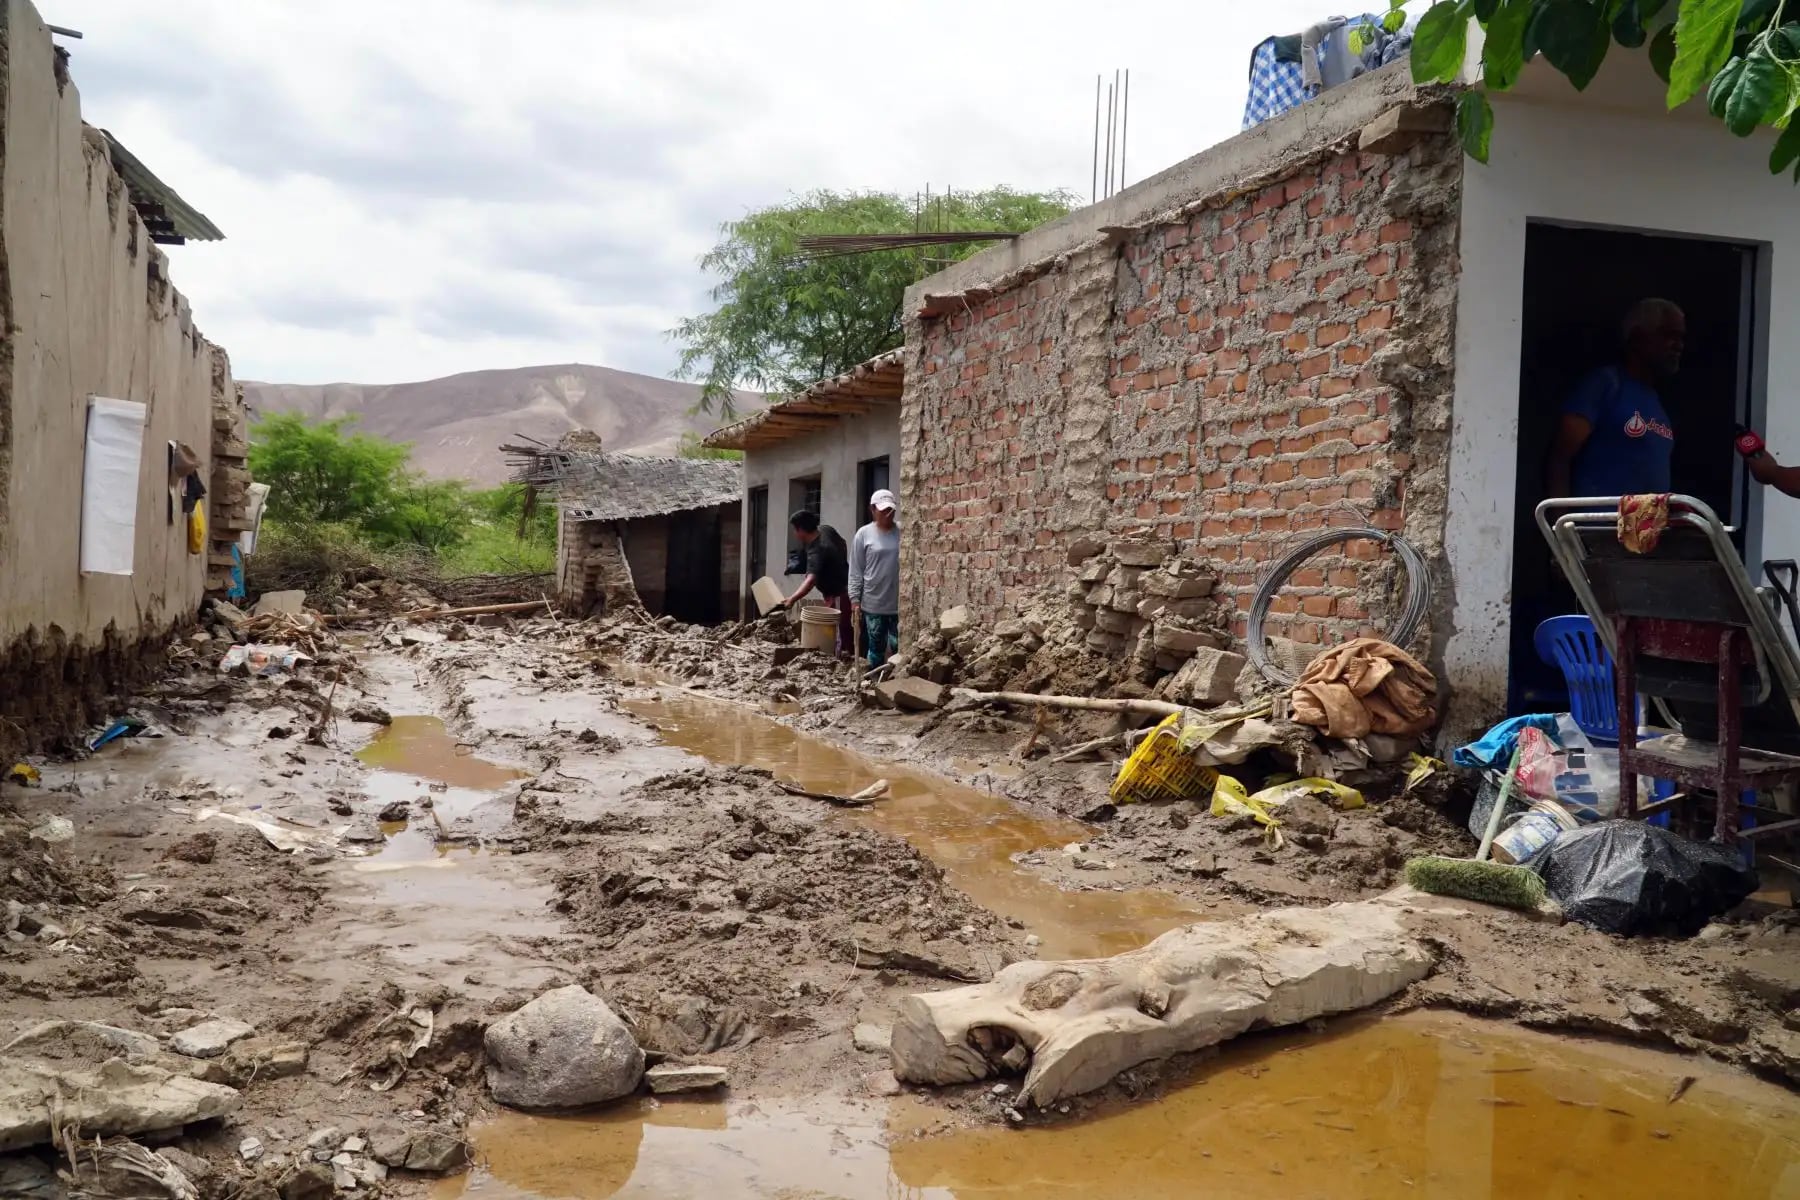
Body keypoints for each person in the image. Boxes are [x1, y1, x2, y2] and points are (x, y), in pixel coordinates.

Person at [1546, 298, 1685, 498]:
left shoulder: (1659, 403)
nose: (1678, 345)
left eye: (1681, 338)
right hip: (1598, 526)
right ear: (1637, 337)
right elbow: (1559, 459)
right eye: (1668, 335)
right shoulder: (1605, 385)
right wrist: (1560, 524)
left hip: (1643, 528)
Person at [782, 510, 853, 659]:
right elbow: (844, 543)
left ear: (801, 530)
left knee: (840, 631)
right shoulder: (825, 530)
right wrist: (839, 564)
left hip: (840, 593)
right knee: (844, 629)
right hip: (840, 589)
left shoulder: (816, 550)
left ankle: (845, 663)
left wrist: (791, 599)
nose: (795, 534)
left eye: (795, 530)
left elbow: (810, 581)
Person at [849, 489, 901, 668]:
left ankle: (897, 684)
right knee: (876, 648)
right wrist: (855, 600)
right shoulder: (863, 534)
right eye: (883, 510)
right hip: (873, 604)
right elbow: (856, 570)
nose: (888, 514)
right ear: (872, 509)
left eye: (891, 510)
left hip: (899, 604)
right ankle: (872, 684)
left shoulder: (902, 531)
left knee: (899, 647)